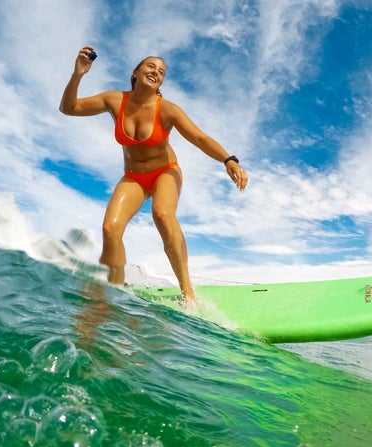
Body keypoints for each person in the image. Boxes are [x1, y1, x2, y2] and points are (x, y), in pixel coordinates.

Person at [59, 46, 248, 304]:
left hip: (165, 173)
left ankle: (188, 293)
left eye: (161, 72)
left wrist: (229, 159)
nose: (156, 72)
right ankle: (114, 291)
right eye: (150, 66)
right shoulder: (114, 100)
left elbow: (199, 137)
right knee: (110, 228)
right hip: (133, 177)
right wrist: (78, 74)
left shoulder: (167, 109)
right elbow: (68, 108)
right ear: (136, 72)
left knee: (162, 213)